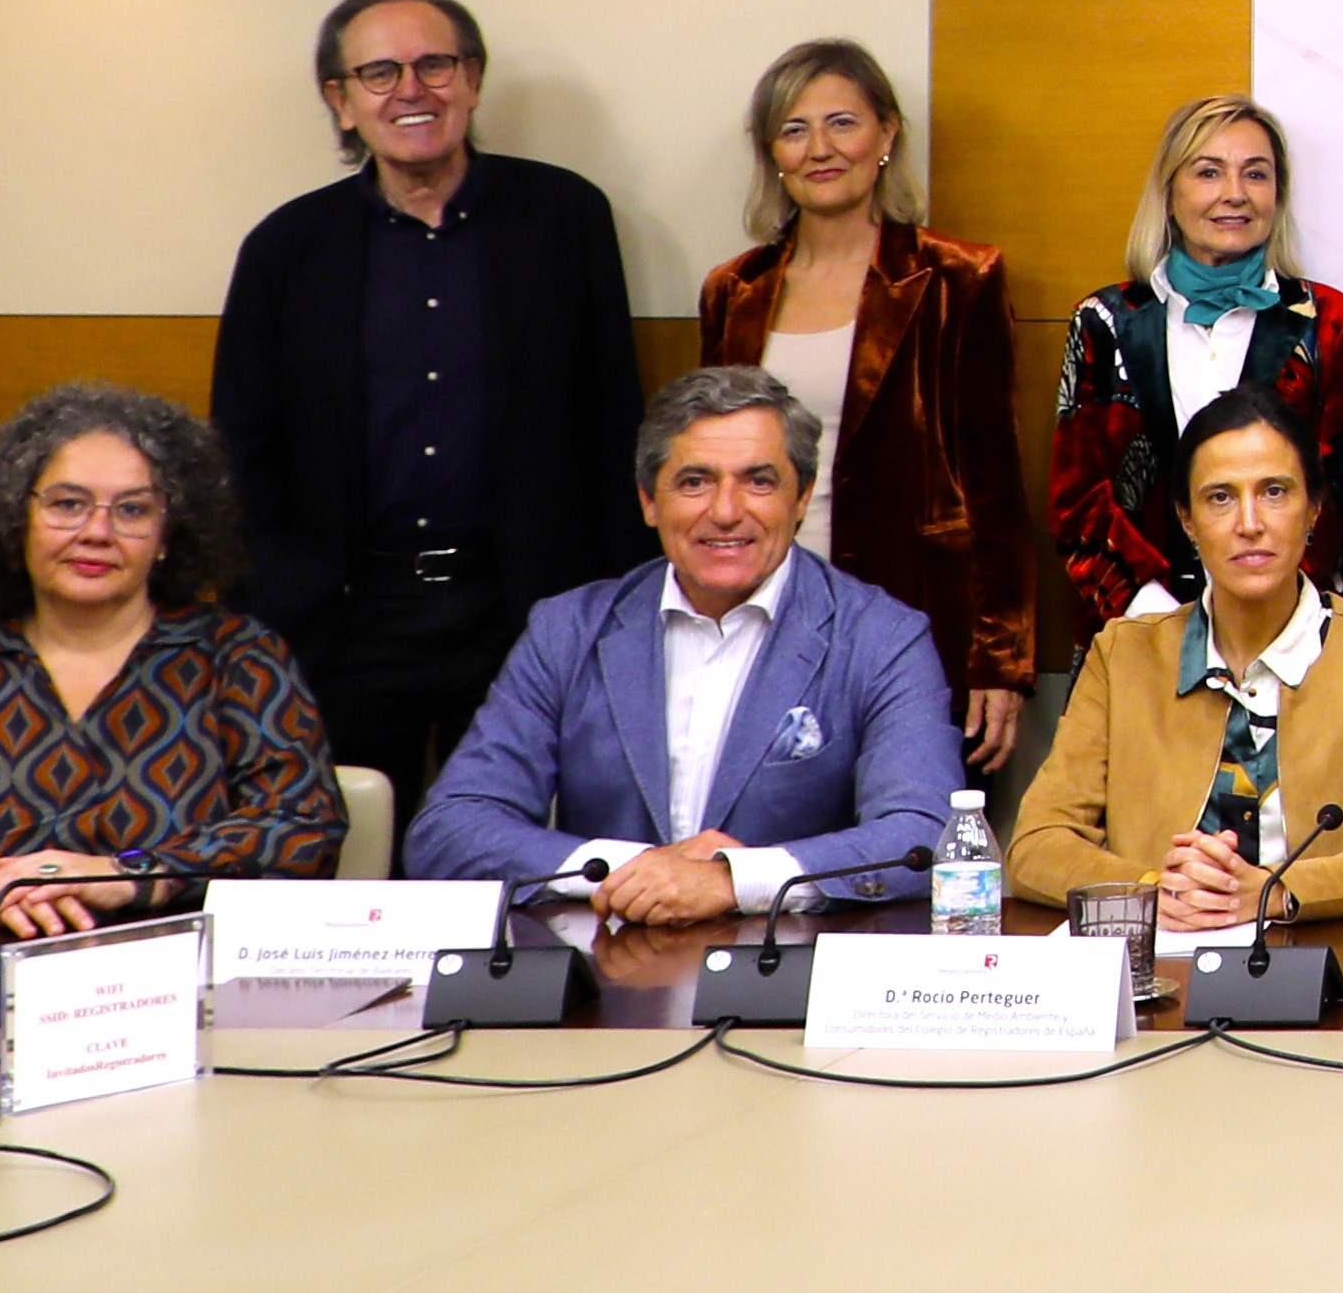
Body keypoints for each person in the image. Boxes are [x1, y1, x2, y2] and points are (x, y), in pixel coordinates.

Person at [211, 0, 647, 803]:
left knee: (526, 864)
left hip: (527, 613)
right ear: (341, 102)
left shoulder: (566, 218)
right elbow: (241, 451)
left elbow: (611, 422)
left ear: (473, 81)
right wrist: (275, 611)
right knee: (354, 868)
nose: (411, 90)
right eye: (379, 73)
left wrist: (611, 612)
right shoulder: (286, 250)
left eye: (434, 64)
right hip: (348, 619)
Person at [406, 367, 966, 919]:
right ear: (649, 501)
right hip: (601, 975)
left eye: (759, 481)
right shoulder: (568, 629)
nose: (725, 512)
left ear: (801, 499)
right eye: (694, 481)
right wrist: (633, 871)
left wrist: (732, 880)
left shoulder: (881, 636)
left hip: (788, 979)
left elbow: (924, 837)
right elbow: (450, 830)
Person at [0, 385, 346, 924]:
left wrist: (133, 876)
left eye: (132, 509)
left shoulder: (237, 657)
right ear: (17, 519)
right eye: (68, 504)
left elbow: (302, 828)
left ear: (166, 536)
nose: (97, 532)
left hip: (172, 973)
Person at [693, 38, 1029, 776]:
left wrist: (1000, 661)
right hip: (760, 621)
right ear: (772, 153)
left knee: (904, 853)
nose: (820, 148)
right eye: (793, 128)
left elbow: (996, 485)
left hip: (915, 621)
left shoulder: (956, 279)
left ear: (887, 133)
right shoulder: (734, 291)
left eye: (842, 122)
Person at [1005, 390, 1343, 929]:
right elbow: (1036, 847)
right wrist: (1156, 892)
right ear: (1188, 522)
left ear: (1313, 508)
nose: (1249, 522)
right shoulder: (1122, 654)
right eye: (1220, 497)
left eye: (1274, 492)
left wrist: (1274, 892)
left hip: (1328, 971)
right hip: (1164, 968)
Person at [1045, 98, 1343, 690]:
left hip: (1296, 650)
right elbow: (1078, 503)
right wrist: (1158, 618)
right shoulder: (1105, 320)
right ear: (1169, 192)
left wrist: (1262, 614)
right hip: (1136, 643)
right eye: (1208, 171)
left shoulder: (1327, 321)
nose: (1235, 192)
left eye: (1256, 173)